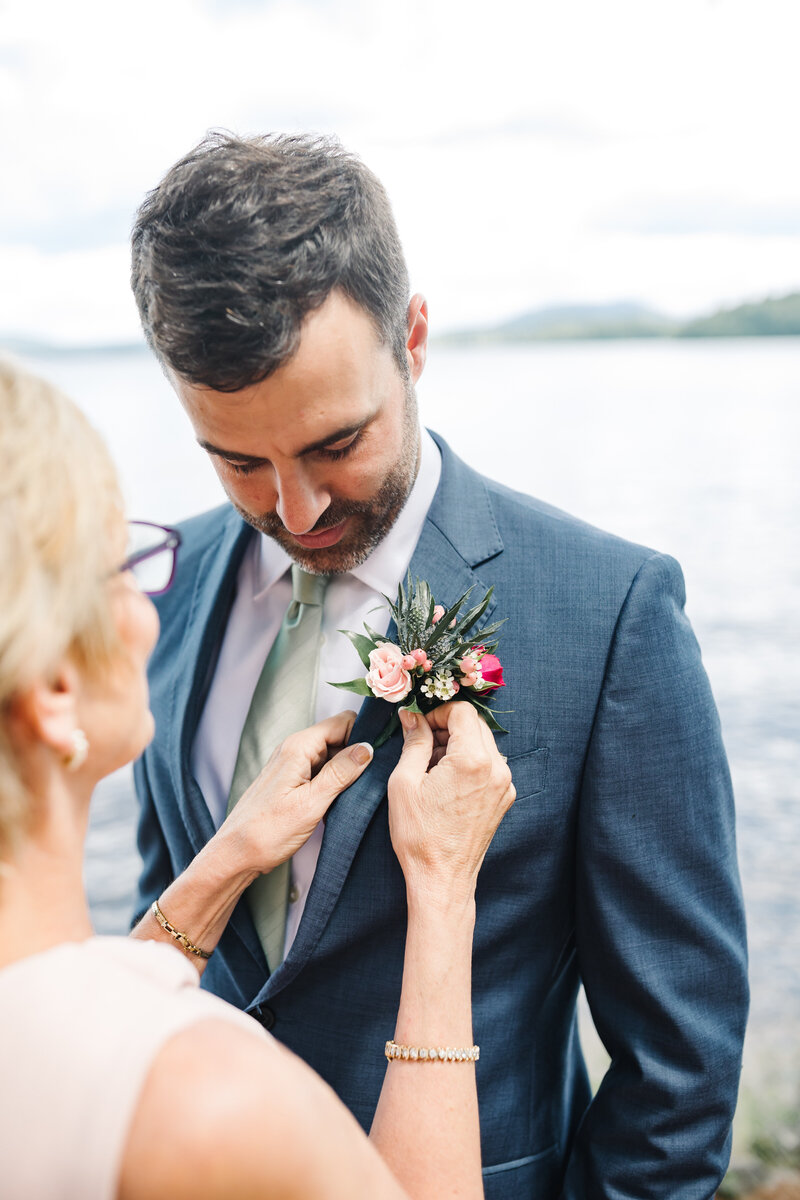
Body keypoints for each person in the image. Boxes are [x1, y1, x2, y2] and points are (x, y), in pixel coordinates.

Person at [130, 133, 749, 1199]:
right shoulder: (170, 581)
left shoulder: (608, 614)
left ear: (412, 340)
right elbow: (166, 923)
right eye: (237, 460)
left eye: (335, 442)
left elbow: (678, 1068)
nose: (294, 510)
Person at [0, 358, 516, 1200]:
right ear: (54, 691)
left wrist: (223, 863)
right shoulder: (209, 1104)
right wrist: (442, 885)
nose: (145, 609)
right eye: (120, 569)